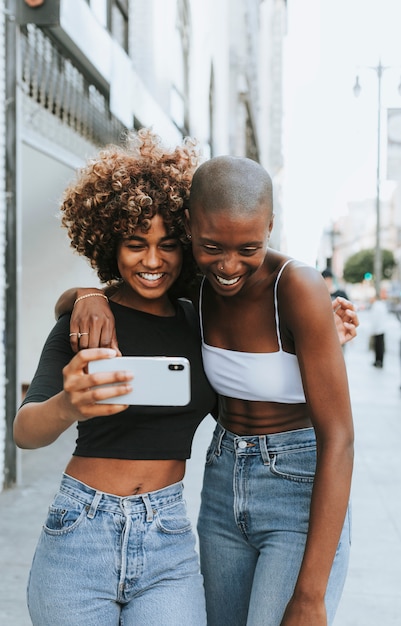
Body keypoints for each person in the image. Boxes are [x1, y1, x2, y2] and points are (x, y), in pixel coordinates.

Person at [56, 152, 358, 626]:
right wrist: (87, 295)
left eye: (249, 248)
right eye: (213, 246)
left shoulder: (295, 287)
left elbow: (339, 437)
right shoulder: (197, 284)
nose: (230, 265)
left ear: (270, 226)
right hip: (222, 483)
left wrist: (311, 595)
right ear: (191, 227)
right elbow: (119, 290)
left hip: (298, 485)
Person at [13, 129, 217, 626]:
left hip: (168, 534)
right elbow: (24, 432)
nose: (152, 261)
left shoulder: (200, 323)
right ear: (110, 244)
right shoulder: (86, 322)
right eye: (135, 244)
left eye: (168, 244)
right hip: (80, 530)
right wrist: (68, 405)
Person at [369, 295, 388, 368]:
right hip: (381, 329)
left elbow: (375, 319)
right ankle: (378, 361)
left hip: (378, 329)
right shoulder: (381, 305)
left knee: (378, 346)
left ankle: (379, 361)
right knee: (379, 346)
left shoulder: (376, 306)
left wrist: (373, 330)